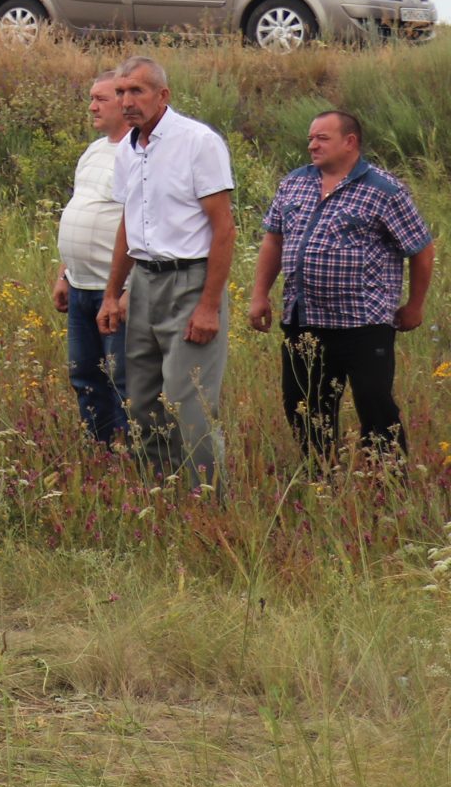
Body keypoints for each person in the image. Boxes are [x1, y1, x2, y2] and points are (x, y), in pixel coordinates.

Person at [248, 109, 435, 461]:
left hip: (363, 323)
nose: (312, 145)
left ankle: (387, 484)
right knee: (303, 406)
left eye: (322, 138)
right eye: (310, 138)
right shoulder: (294, 183)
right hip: (304, 319)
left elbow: (421, 249)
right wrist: (259, 295)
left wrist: (415, 305)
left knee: (376, 407)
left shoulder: (384, 190)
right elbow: (274, 239)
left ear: (350, 142)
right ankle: (321, 477)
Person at [97, 56, 235, 487]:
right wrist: (111, 293)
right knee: (142, 401)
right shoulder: (127, 149)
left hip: (190, 281)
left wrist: (209, 305)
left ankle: (207, 501)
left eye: (137, 90)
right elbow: (129, 224)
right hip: (145, 282)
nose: (126, 100)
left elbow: (224, 228)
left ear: (163, 95)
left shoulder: (197, 142)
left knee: (187, 399)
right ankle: (160, 491)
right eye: (120, 92)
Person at [50, 71, 132, 443]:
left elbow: (140, 224)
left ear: (125, 102)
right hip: (81, 287)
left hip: (114, 290)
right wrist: (65, 274)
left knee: (123, 379)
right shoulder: (95, 150)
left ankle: (136, 457)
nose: (92, 106)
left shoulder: (138, 152)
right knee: (84, 376)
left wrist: (125, 290)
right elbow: (80, 208)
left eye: (101, 98)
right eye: (91, 97)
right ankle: (101, 451)